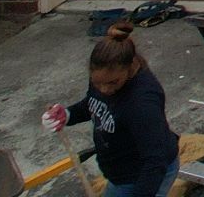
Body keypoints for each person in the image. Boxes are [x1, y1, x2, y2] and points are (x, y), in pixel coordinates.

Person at [42, 19, 178, 197]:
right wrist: (67, 115)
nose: (105, 90)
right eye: (98, 83)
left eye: (113, 82)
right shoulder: (103, 78)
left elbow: (155, 161)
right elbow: (93, 104)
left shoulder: (143, 103)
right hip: (120, 173)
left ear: (129, 68)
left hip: (145, 175)